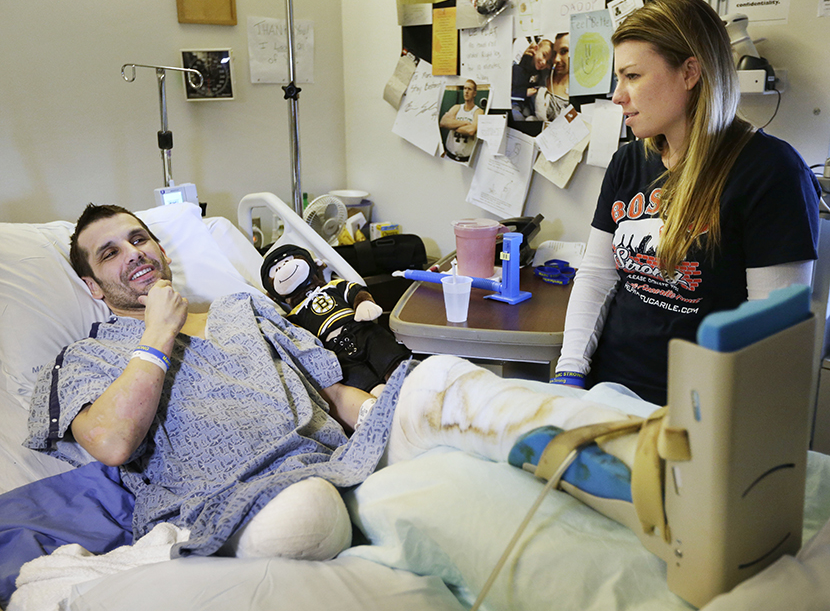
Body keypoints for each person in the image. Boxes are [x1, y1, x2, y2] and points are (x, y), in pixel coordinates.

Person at [25, 204, 639, 563]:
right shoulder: (87, 357)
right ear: (92, 286)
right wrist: (158, 334)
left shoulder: (243, 307)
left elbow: (329, 390)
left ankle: (637, 458)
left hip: (340, 450)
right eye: (108, 253)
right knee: (314, 516)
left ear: (159, 247)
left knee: (440, 378)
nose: (131, 252)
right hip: (243, 495)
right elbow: (109, 442)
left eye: (138, 237)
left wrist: (383, 413)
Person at [552, 0, 820, 406]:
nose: (618, 95)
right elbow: (597, 276)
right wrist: (570, 371)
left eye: (633, 76)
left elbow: (769, 339)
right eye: (618, 78)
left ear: (690, 72)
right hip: (608, 391)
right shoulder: (629, 161)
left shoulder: (772, 172)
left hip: (697, 408)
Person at [259, 243, 410, 398]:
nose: (284, 269)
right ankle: (378, 393)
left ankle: (401, 378)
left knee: (381, 346)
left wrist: (363, 303)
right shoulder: (294, 317)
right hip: (335, 350)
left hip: (361, 328)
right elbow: (299, 338)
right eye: (277, 270)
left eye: (287, 262)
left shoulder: (332, 286)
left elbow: (353, 290)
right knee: (350, 374)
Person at [440, 79, 484, 163]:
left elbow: (471, 131)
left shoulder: (478, 111)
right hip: (449, 157)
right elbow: (443, 123)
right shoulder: (456, 108)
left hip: (465, 161)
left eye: (469, 89)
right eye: (465, 88)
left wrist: (452, 125)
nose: (466, 91)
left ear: (474, 93)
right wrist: (465, 123)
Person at [511, 38, 552, 120]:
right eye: (543, 55)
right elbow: (508, 91)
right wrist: (525, 92)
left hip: (525, 104)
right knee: (516, 115)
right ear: (536, 49)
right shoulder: (518, 68)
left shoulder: (539, 72)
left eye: (547, 62)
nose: (544, 62)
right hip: (514, 102)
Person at [535, 32, 569, 123]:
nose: (556, 59)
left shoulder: (580, 91)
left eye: (564, 51)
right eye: (555, 53)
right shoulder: (544, 73)